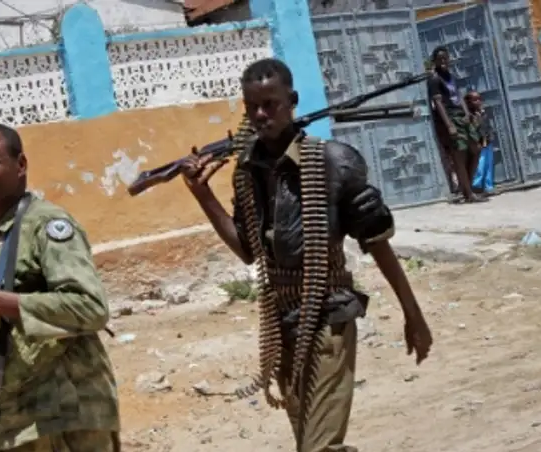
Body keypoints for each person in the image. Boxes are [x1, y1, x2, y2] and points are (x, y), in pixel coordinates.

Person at [180, 58, 433, 451]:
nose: (260, 115)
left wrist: (412, 314)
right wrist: (203, 195)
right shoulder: (248, 171)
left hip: (328, 315)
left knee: (319, 447)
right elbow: (248, 251)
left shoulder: (333, 162)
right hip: (282, 324)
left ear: (292, 101)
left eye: (270, 104)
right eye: (252, 107)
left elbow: (377, 242)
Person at [0, 122, 120, 452]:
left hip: (63, 415)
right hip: (14, 419)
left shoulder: (46, 225)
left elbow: (91, 308)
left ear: (21, 164)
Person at [427, 46, 487, 203]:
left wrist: (467, 113)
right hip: (451, 117)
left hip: (461, 116)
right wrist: (449, 125)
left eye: (445, 58)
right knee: (459, 154)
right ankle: (469, 194)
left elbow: (459, 96)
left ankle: (465, 187)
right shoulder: (434, 79)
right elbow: (438, 103)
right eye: (440, 59)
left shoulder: (450, 76)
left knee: (475, 148)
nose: (443, 61)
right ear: (434, 61)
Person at [465, 90, 495, 196]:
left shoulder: (483, 112)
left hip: (487, 140)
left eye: (479, 99)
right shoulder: (469, 115)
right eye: (475, 100)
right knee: (479, 165)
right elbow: (474, 127)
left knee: (488, 164)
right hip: (478, 142)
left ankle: (488, 187)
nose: (478, 102)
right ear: (469, 103)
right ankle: (476, 186)